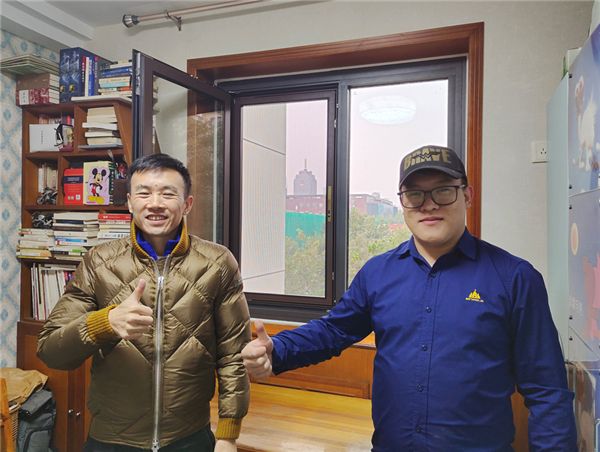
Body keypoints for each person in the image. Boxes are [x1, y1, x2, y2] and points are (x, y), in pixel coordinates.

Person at [242, 145, 576, 451]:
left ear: (467, 195)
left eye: (443, 191)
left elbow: (546, 390)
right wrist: (278, 349)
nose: (428, 204)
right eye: (415, 194)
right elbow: (334, 330)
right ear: (402, 202)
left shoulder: (515, 278)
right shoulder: (378, 273)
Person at [38, 153, 251, 452]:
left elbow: (233, 354)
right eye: (144, 193)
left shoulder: (217, 263)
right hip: (112, 440)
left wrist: (228, 434)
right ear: (129, 203)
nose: (155, 203)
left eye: (168, 194)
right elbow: (51, 351)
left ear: (187, 204)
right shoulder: (98, 262)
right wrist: (104, 323)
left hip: (189, 438)